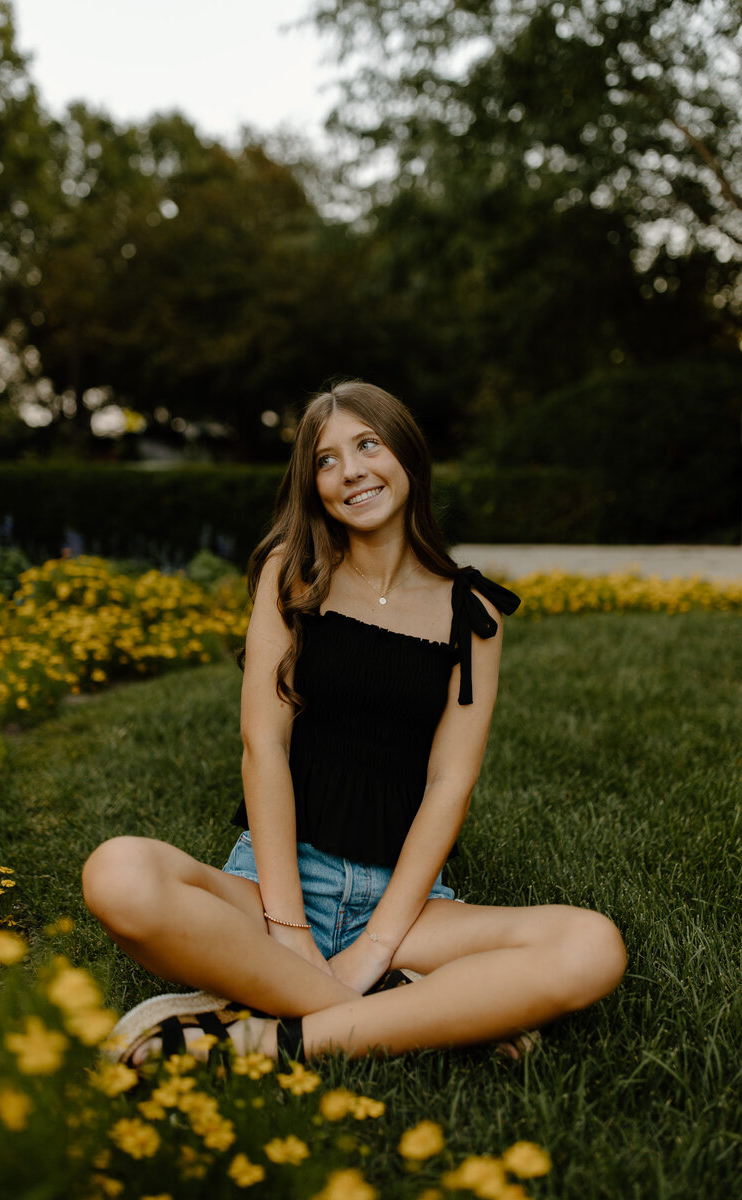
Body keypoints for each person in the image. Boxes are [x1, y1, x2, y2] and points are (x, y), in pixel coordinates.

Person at [82, 381, 626, 1066]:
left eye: (368, 443)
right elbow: (264, 747)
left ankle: (267, 1034)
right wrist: (287, 924)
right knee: (119, 875)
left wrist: (377, 942)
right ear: (314, 486)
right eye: (327, 460)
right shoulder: (293, 575)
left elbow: (449, 785)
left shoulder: (474, 612)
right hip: (272, 883)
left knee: (591, 947)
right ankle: (423, 1016)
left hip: (405, 906)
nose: (352, 471)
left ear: (407, 453)